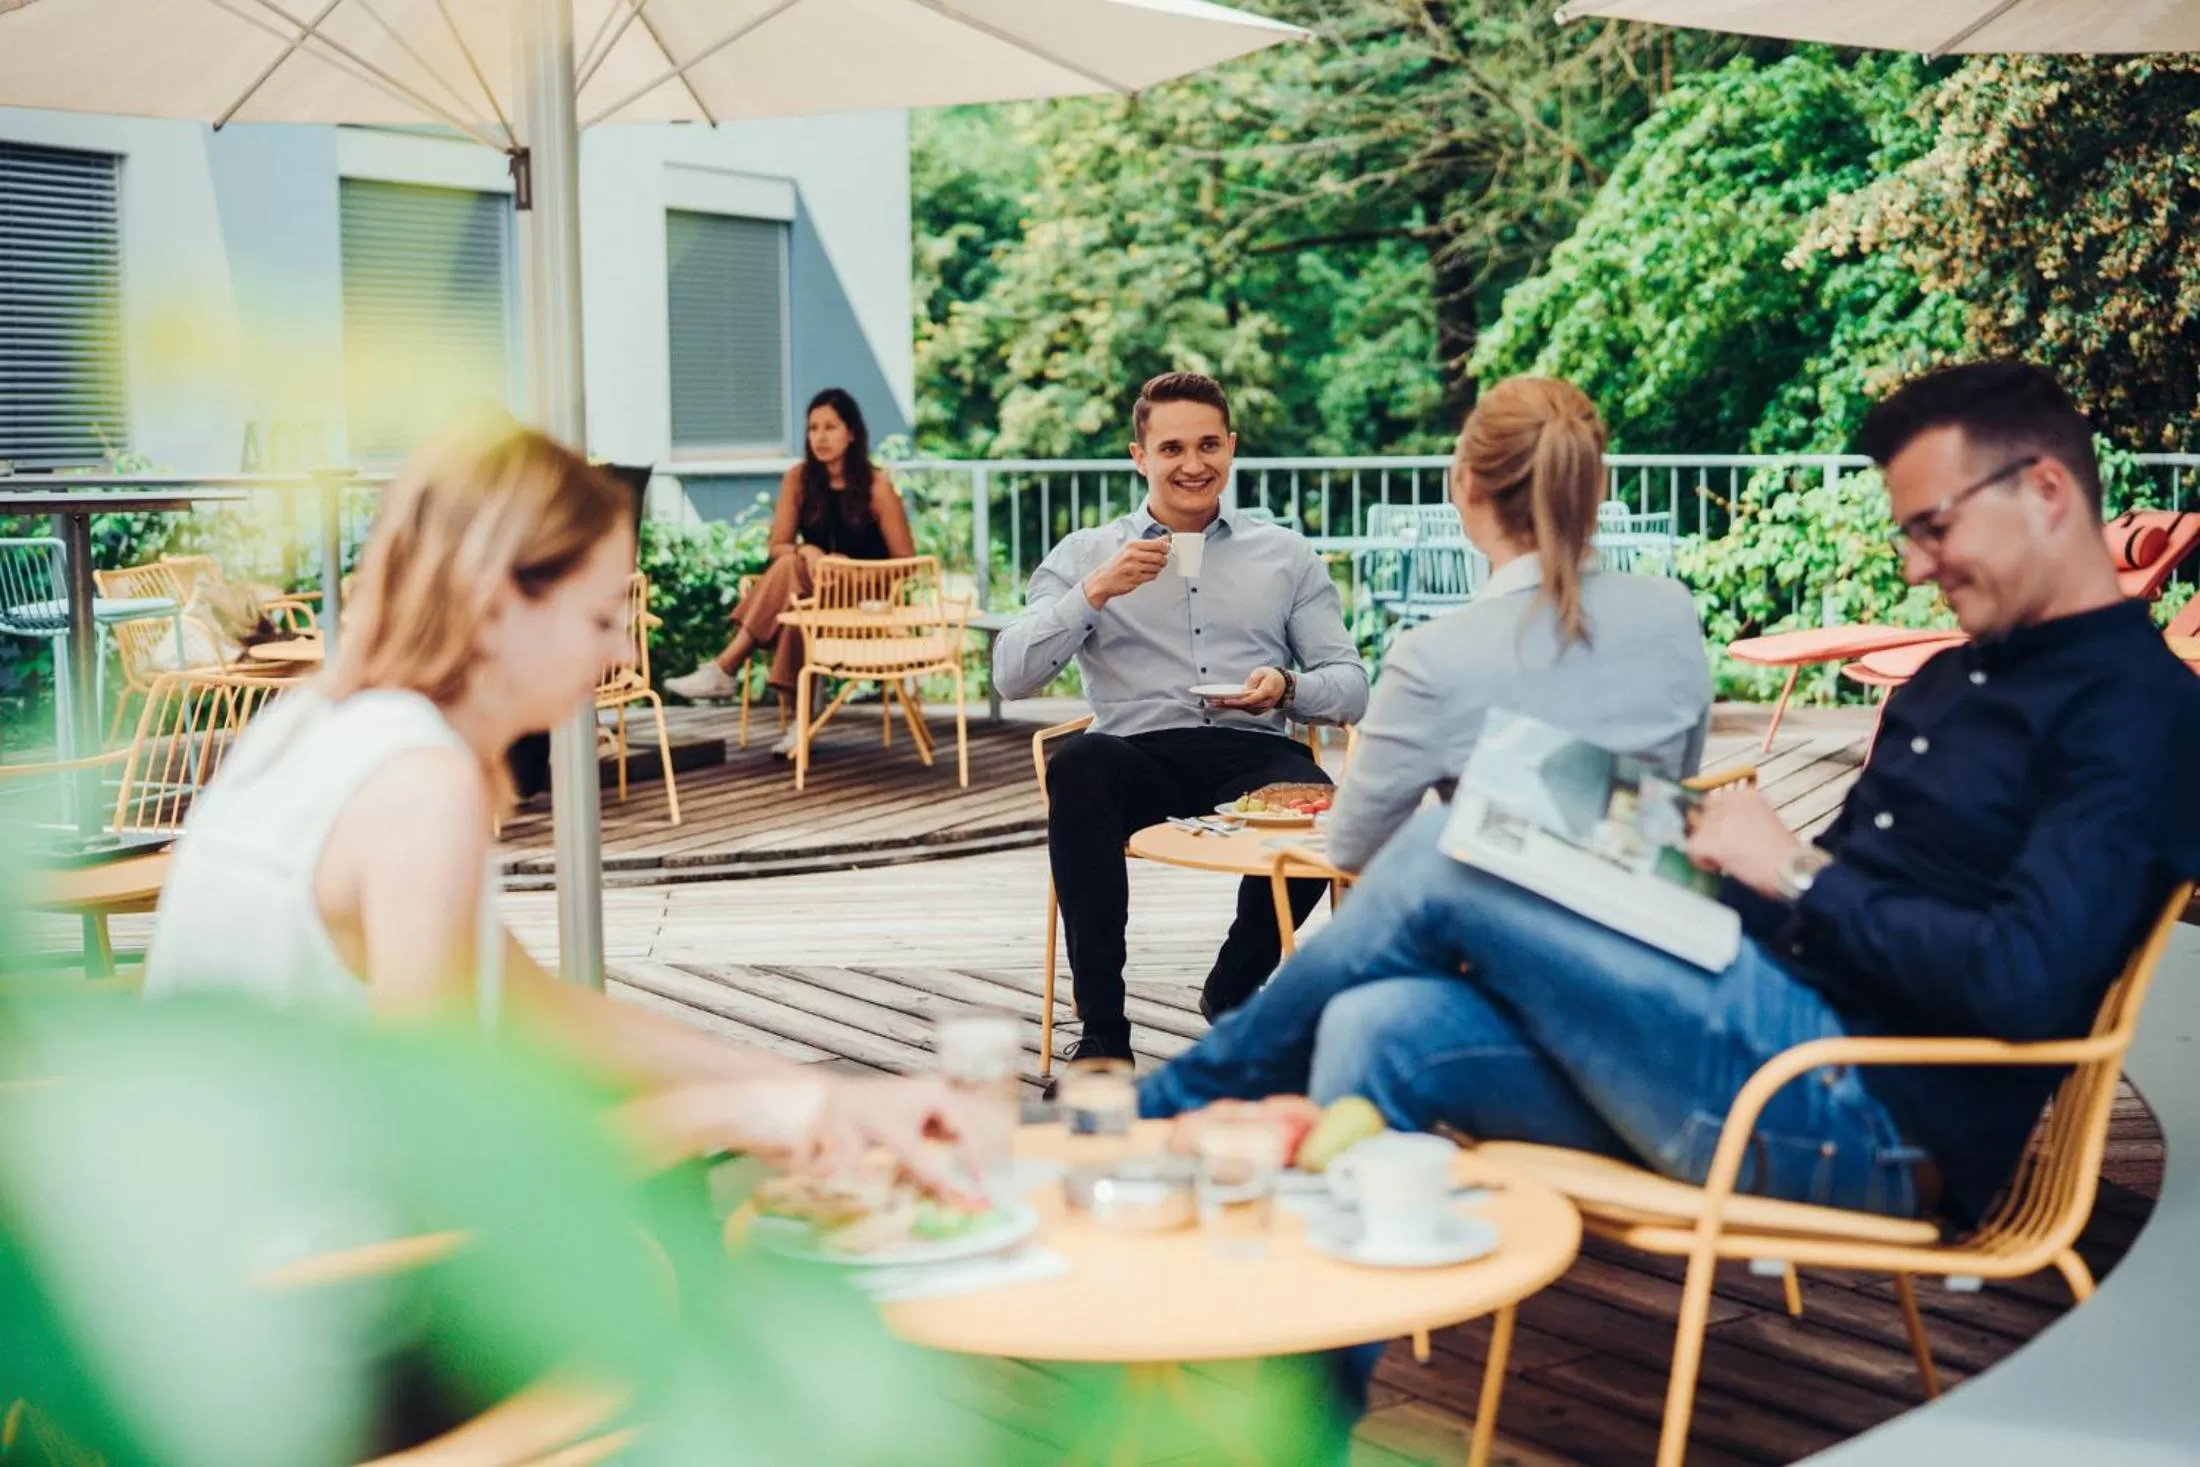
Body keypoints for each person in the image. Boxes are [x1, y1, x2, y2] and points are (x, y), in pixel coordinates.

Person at [1143, 360, 2200, 1231]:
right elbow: (1817, 894)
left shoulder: (2137, 714)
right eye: (1907, 534)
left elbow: (2019, 982)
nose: (1917, 568)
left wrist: (1788, 867)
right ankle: (1304, 1409)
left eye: (1933, 527)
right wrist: (1642, 861)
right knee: (1382, 1022)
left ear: (2047, 491)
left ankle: (1161, 1112)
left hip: (1860, 1110)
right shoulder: (1954, 677)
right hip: (1744, 1011)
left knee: (1445, 844)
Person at [143, 417, 975, 1189]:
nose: (621, 647)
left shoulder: (317, 721)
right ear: (500, 607)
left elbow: (536, 1007)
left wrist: (827, 1095)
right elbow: (445, 1152)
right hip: (291, 1300)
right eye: (604, 613)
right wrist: (731, 1115)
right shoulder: (421, 785)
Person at [993, 371, 1370, 1063]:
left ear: (1231, 446)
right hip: (1133, 751)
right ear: (1140, 456)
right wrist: (1096, 590)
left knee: (1325, 799)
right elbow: (1011, 674)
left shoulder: (1285, 555)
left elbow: (1351, 685)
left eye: (1207, 445)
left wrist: (1285, 686)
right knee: (1077, 765)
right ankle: (1103, 1032)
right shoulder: (1085, 553)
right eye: (1171, 448)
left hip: (1248, 744)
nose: (1192, 464)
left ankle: (1232, 985)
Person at [1323, 377, 1710, 873]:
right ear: (1597, 484)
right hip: (1652, 925)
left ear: (1465, 484)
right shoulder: (1672, 610)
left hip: (1510, 934)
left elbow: (1352, 848)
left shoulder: (1432, 659)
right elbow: (1677, 779)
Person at [664, 388, 916, 756]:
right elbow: (778, 547)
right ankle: (798, 723)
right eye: (813, 428)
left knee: (795, 590)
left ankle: (725, 668)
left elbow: (906, 563)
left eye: (830, 427)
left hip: (863, 601)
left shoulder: (877, 488)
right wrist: (807, 551)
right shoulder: (798, 480)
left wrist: (848, 570)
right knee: (795, 587)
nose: (820, 437)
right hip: (812, 597)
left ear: (851, 433)